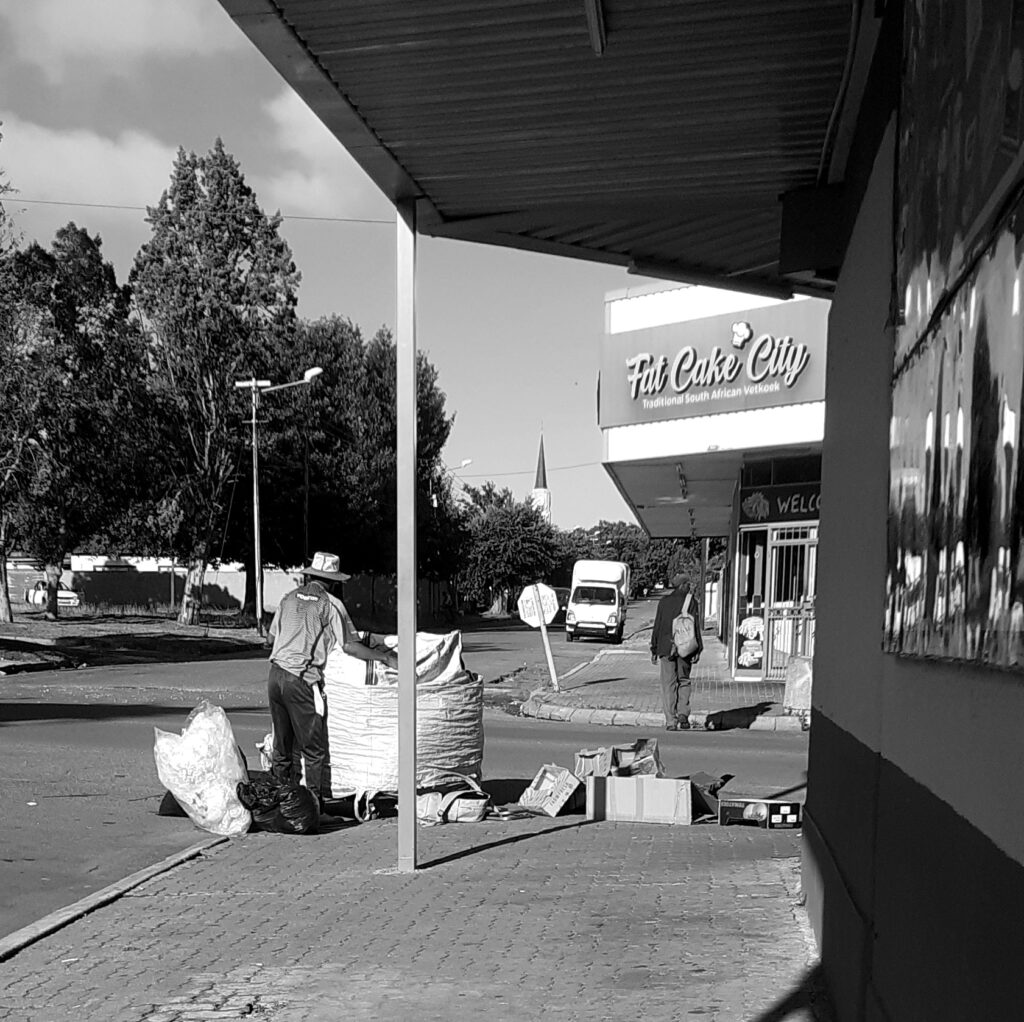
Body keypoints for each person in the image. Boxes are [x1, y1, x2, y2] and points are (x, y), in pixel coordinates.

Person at [266, 551, 397, 809]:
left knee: (282, 747)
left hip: (275, 676)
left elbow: (271, 639)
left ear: (311, 575)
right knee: (313, 750)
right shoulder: (331, 604)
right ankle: (313, 809)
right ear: (334, 581)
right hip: (300, 680)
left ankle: (277, 805)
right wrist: (384, 659)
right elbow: (350, 646)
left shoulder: (288, 598)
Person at [650, 572, 703, 731]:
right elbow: (695, 627)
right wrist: (698, 648)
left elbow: (657, 626)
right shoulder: (691, 602)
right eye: (688, 584)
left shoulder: (664, 602)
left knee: (668, 684)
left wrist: (654, 648)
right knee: (684, 680)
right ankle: (683, 714)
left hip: (666, 648)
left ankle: (671, 721)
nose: (690, 587)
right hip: (685, 648)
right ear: (682, 585)